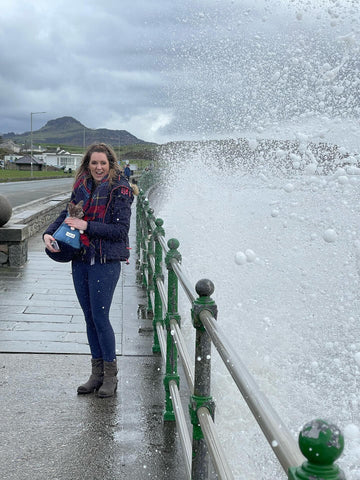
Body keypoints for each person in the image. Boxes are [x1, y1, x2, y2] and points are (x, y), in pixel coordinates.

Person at [43, 143, 134, 398]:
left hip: (105, 261)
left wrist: (86, 225)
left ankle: (110, 376)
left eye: (103, 163)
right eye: (94, 163)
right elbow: (66, 212)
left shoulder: (121, 189)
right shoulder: (82, 186)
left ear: (111, 163)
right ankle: (96, 375)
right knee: (89, 318)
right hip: (80, 258)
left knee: (101, 317)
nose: (98, 167)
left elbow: (120, 231)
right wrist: (48, 233)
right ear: (87, 164)